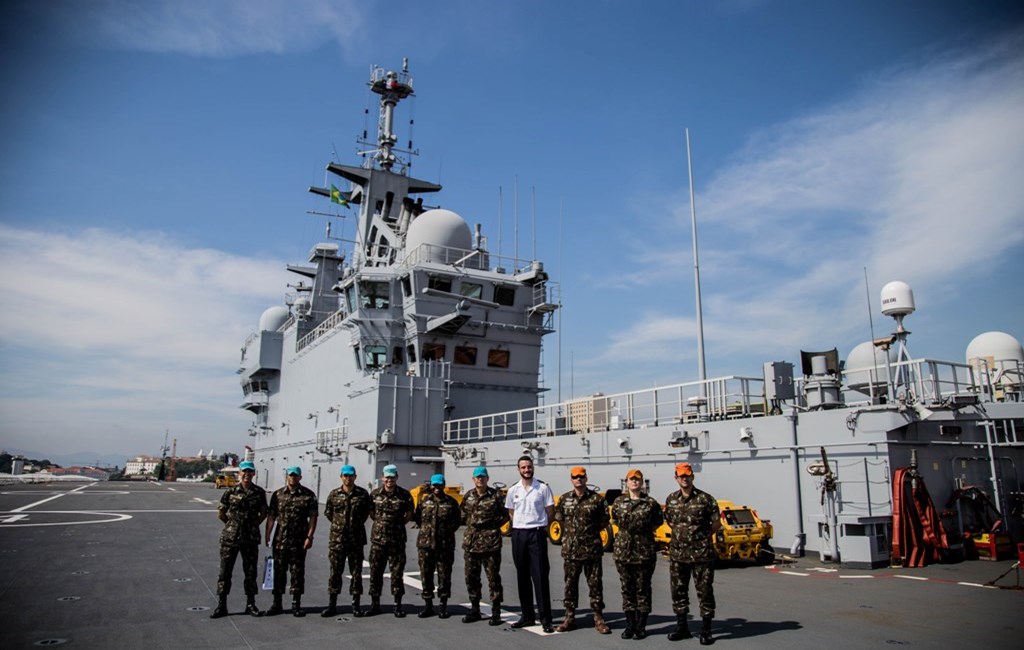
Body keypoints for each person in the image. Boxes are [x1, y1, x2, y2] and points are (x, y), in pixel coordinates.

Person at [664, 462, 721, 645]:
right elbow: (671, 523)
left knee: (704, 591)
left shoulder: (706, 499)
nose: (684, 478)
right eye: (681, 476)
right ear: (676, 478)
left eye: (687, 475)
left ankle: (706, 629)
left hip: (701, 554)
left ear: (692, 476)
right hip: (678, 555)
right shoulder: (671, 499)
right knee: (678, 591)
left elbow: (716, 523)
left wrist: (700, 537)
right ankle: (682, 626)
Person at [553, 466, 611, 634]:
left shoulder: (597, 500)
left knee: (595, 585)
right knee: (570, 585)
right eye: (575, 476)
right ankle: (569, 617)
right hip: (571, 551)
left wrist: (588, 534)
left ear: (586, 478)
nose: (578, 479)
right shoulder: (564, 499)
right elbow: (560, 519)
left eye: (581, 476)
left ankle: (598, 618)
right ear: (571, 479)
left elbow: (604, 521)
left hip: (592, 549)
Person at [210, 460, 267, 618]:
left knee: (250, 572)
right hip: (230, 538)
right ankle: (222, 605)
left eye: (250, 471)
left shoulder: (259, 492)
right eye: (244, 471)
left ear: (254, 473)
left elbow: (263, 513)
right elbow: (221, 512)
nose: (247, 474)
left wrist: (253, 525)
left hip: (250, 538)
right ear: (239, 473)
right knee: (225, 572)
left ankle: (251, 603)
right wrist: (231, 526)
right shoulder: (230, 491)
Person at [611, 468, 663, 639]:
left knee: (643, 589)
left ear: (642, 483)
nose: (634, 481)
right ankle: (630, 625)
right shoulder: (618, 502)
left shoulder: (651, 503)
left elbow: (657, 522)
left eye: (637, 479)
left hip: (644, 552)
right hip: (623, 552)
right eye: (631, 479)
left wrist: (642, 534)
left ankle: (641, 626)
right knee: (627, 589)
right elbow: (616, 520)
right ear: (627, 482)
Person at [505, 455, 555, 633]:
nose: (527, 470)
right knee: (522, 576)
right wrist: (521, 527)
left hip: (536, 534)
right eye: (523, 467)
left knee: (540, 577)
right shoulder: (513, 490)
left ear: (533, 468)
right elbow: (511, 512)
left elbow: (550, 511)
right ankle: (527, 616)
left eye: (529, 467)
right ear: (519, 469)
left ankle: (546, 619)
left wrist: (539, 528)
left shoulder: (542, 488)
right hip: (519, 534)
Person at [264, 466, 318, 617]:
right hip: (280, 540)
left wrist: (309, 537)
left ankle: (296, 604)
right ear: (286, 477)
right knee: (278, 572)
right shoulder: (278, 495)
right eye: (290, 475)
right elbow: (271, 516)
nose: (293, 478)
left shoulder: (308, 495)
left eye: (296, 475)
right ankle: (277, 603)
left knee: (297, 573)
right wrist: (267, 534)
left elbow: (313, 518)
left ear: (300, 477)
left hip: (299, 541)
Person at [459, 466, 508, 625]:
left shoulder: (496, 496)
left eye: (483, 476)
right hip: (471, 543)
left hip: (490, 543)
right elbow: (463, 515)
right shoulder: (468, 496)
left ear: (487, 478)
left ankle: (496, 611)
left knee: (493, 578)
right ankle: (474, 609)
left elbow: (506, 515)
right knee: (471, 577)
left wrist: (493, 527)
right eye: (477, 477)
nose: (480, 479)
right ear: (473, 479)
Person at [321, 464, 372, 617]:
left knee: (356, 573)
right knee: (335, 572)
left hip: (356, 540)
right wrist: (340, 526)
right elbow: (329, 513)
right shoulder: (333, 494)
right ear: (341, 477)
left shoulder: (362, 494)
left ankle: (355, 605)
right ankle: (332, 605)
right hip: (337, 540)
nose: (348, 478)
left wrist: (352, 525)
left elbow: (366, 513)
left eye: (350, 475)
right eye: (345, 475)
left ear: (355, 477)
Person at [367, 463, 414, 617]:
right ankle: (375, 605)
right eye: (387, 477)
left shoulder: (405, 495)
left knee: (397, 574)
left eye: (392, 477)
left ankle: (397, 605)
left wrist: (396, 525)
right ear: (382, 478)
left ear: (397, 478)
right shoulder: (374, 495)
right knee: (375, 573)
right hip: (378, 542)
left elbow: (408, 515)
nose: (389, 480)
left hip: (397, 541)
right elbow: (372, 513)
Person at [413, 473, 461, 618]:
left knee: (444, 576)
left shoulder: (451, 502)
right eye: (434, 485)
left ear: (444, 485)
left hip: (444, 545)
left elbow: (456, 522)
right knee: (426, 575)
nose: (437, 487)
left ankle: (443, 606)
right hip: (425, 545)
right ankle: (428, 606)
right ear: (431, 485)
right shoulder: (424, 501)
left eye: (439, 484)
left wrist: (444, 533)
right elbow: (418, 518)